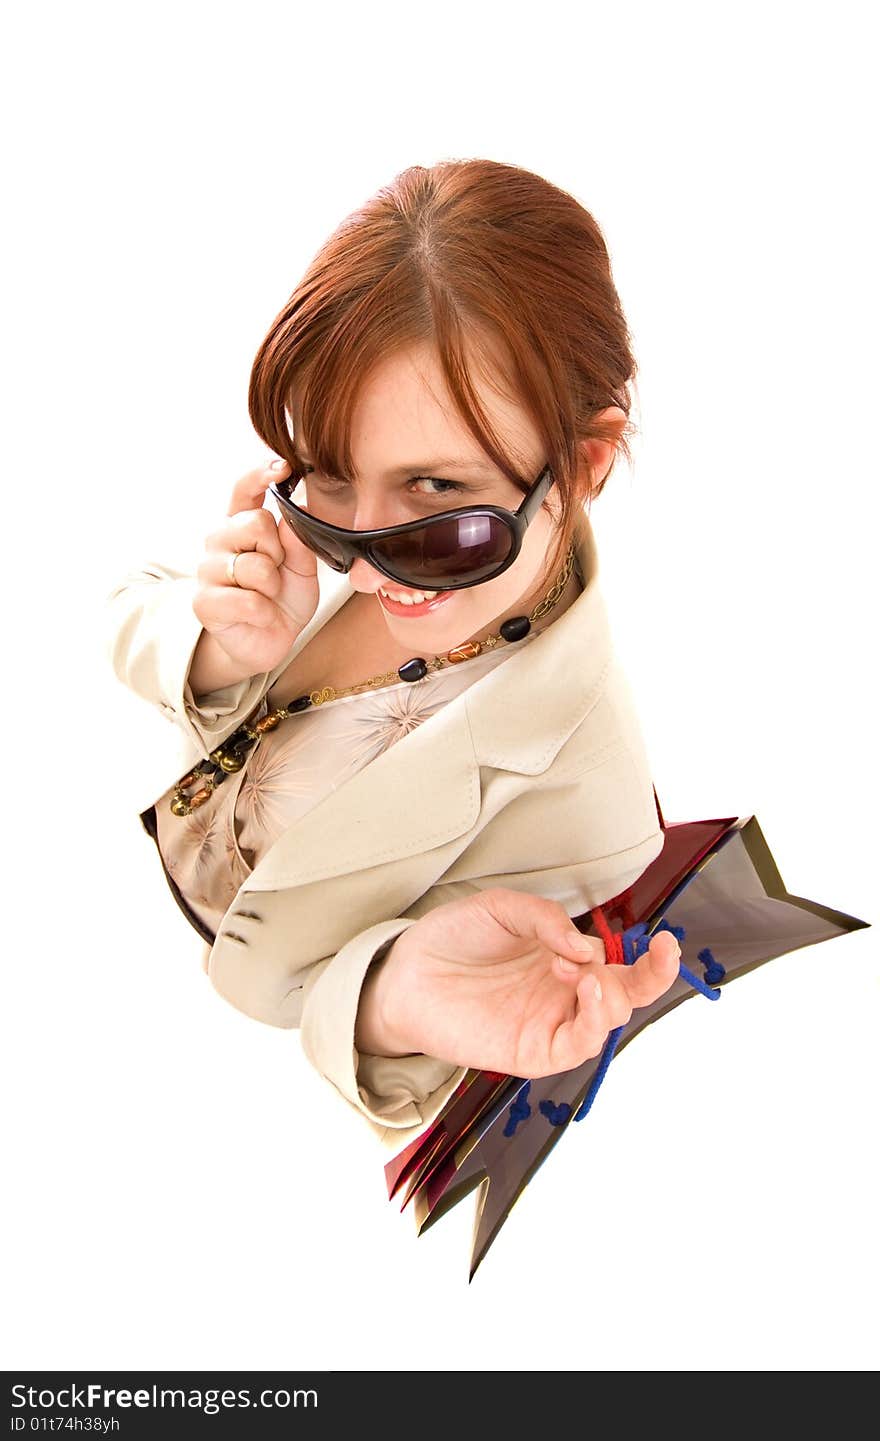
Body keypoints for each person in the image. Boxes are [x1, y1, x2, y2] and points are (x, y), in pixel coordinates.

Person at [102, 158, 681, 1152]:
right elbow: (124, 604)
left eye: (436, 503)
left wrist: (390, 999)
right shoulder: (312, 531)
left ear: (582, 464)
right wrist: (215, 646)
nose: (364, 565)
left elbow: (416, 1061)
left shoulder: (596, 815)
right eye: (326, 477)